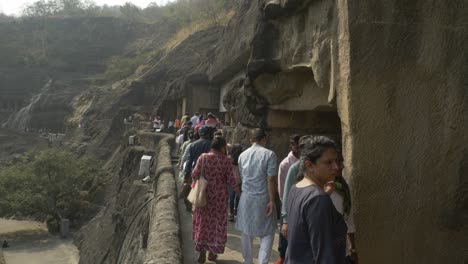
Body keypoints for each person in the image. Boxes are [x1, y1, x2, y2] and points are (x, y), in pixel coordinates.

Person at [284, 136, 347, 264]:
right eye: (329, 162)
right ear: (309, 165)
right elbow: (324, 255)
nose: (336, 167)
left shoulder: (296, 188)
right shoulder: (318, 199)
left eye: (336, 161)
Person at [191, 136, 240, 263]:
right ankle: (212, 254)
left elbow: (194, 174)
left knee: (203, 223)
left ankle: (201, 252)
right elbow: (231, 180)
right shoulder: (226, 161)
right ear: (223, 147)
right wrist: (239, 193)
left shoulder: (203, 157)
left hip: (203, 196)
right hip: (219, 199)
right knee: (217, 225)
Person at [235, 129, 278, 264]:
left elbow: (242, 177)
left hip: (246, 198)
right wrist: (272, 200)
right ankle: (262, 262)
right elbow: (270, 179)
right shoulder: (270, 155)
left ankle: (247, 261)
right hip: (263, 198)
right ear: (264, 139)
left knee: (246, 233)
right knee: (267, 233)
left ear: (250, 140)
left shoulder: (242, 155)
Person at [275, 135, 301, 264]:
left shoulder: (305, 162)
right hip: (288, 202)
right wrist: (285, 207)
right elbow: (282, 189)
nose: (299, 150)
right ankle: (282, 256)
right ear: (292, 146)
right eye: (297, 147)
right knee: (284, 232)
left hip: (301, 203)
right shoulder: (286, 164)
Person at [329, 153, 359, 264]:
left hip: (342, 250)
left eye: (342, 162)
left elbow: (349, 221)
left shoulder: (345, 188)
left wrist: (353, 248)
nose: (341, 166)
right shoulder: (318, 190)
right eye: (338, 162)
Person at [183, 126, 214, 211]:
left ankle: (195, 208)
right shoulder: (212, 145)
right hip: (210, 173)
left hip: (196, 173)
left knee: (196, 191)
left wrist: (186, 175)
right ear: (208, 134)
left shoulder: (193, 145)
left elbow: (189, 162)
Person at [228, 144, 243, 222]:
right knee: (238, 196)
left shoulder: (230, 158)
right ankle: (236, 210)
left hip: (231, 179)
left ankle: (231, 214)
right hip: (240, 179)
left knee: (231, 197)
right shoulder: (242, 157)